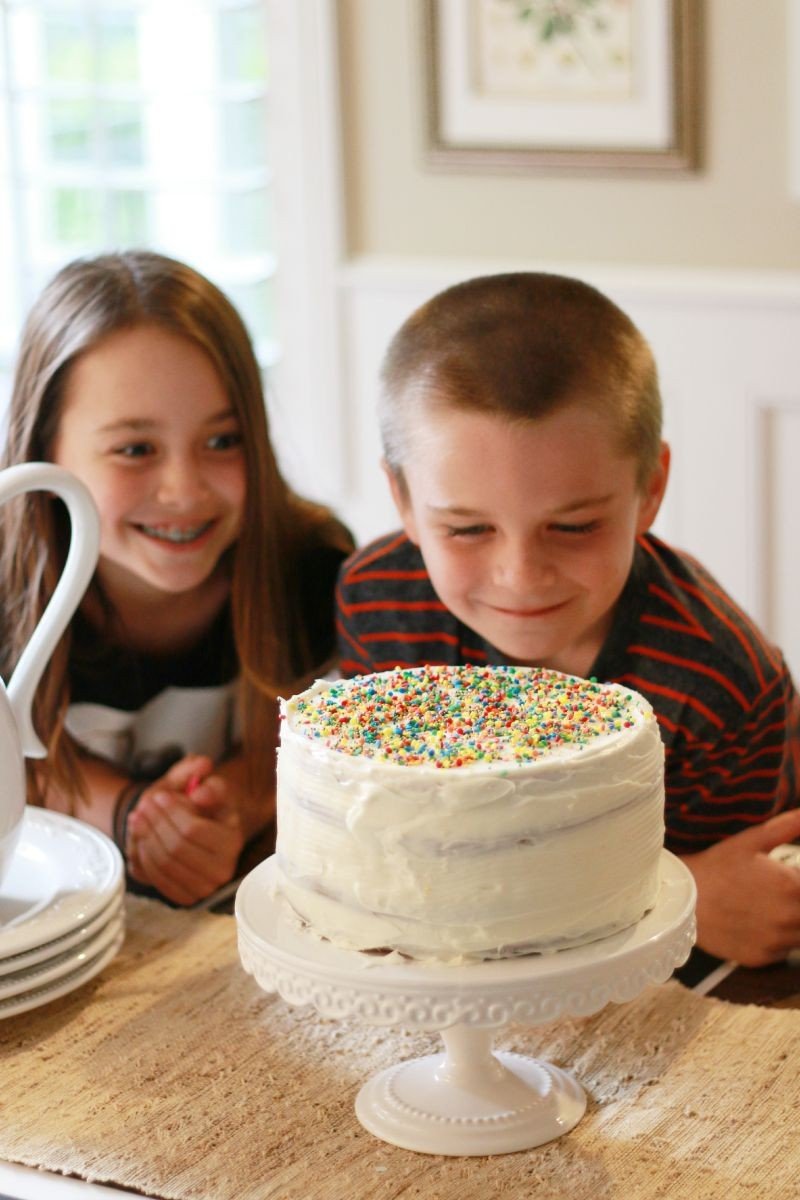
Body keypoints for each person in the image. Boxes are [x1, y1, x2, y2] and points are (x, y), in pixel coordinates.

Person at [336, 271, 800, 971]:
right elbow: (394, 831)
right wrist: (679, 889)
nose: (521, 575)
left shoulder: (721, 681)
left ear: (650, 490)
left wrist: (696, 896)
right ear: (402, 497)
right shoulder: (378, 604)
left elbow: (737, 919)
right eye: (467, 529)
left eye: (574, 526)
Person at [1, 250, 353, 906]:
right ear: (44, 448)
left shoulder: (310, 566)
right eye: (135, 449)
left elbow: (333, 735)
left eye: (223, 441)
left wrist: (230, 806)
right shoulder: (5, 583)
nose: (185, 491)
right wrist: (129, 812)